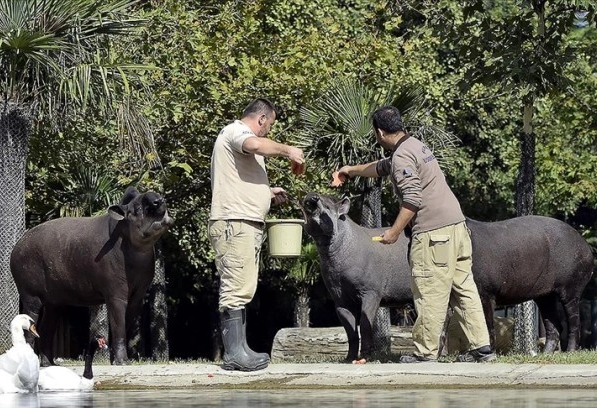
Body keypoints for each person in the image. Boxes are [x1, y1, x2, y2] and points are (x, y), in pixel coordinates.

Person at [333, 105, 495, 363]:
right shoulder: (416, 145)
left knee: (429, 290)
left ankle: (425, 353)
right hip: (457, 228)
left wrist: (394, 232)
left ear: (379, 132)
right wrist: (351, 170)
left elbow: (412, 199)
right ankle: (482, 347)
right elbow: (382, 166)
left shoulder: (402, 157)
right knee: (464, 289)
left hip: (433, 234)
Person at [209, 98, 305, 371]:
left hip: (245, 223)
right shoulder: (237, 131)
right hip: (234, 223)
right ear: (261, 119)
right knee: (235, 288)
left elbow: (239, 176)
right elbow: (252, 144)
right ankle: (234, 354)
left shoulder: (238, 136)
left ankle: (241, 349)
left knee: (243, 286)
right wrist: (289, 150)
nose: (268, 131)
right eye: (270, 124)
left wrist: (267, 192)